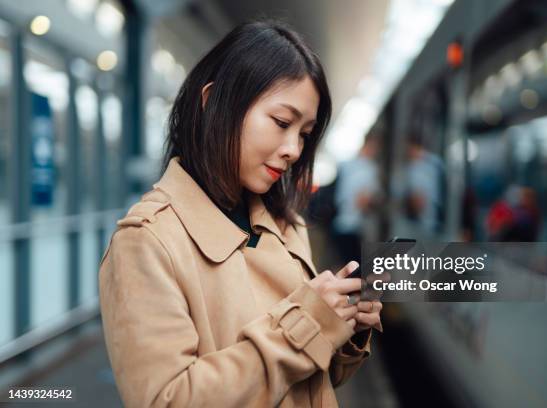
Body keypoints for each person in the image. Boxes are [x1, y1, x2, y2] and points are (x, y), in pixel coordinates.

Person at [98, 20, 382, 408]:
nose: (294, 149)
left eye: (304, 133)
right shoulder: (146, 242)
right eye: (283, 123)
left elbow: (314, 381)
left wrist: (344, 326)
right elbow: (167, 400)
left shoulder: (286, 223)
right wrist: (308, 324)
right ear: (213, 100)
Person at [331, 131, 381, 265]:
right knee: (354, 267)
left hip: (339, 223)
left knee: (344, 264)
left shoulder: (346, 164)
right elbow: (364, 200)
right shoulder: (369, 169)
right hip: (353, 226)